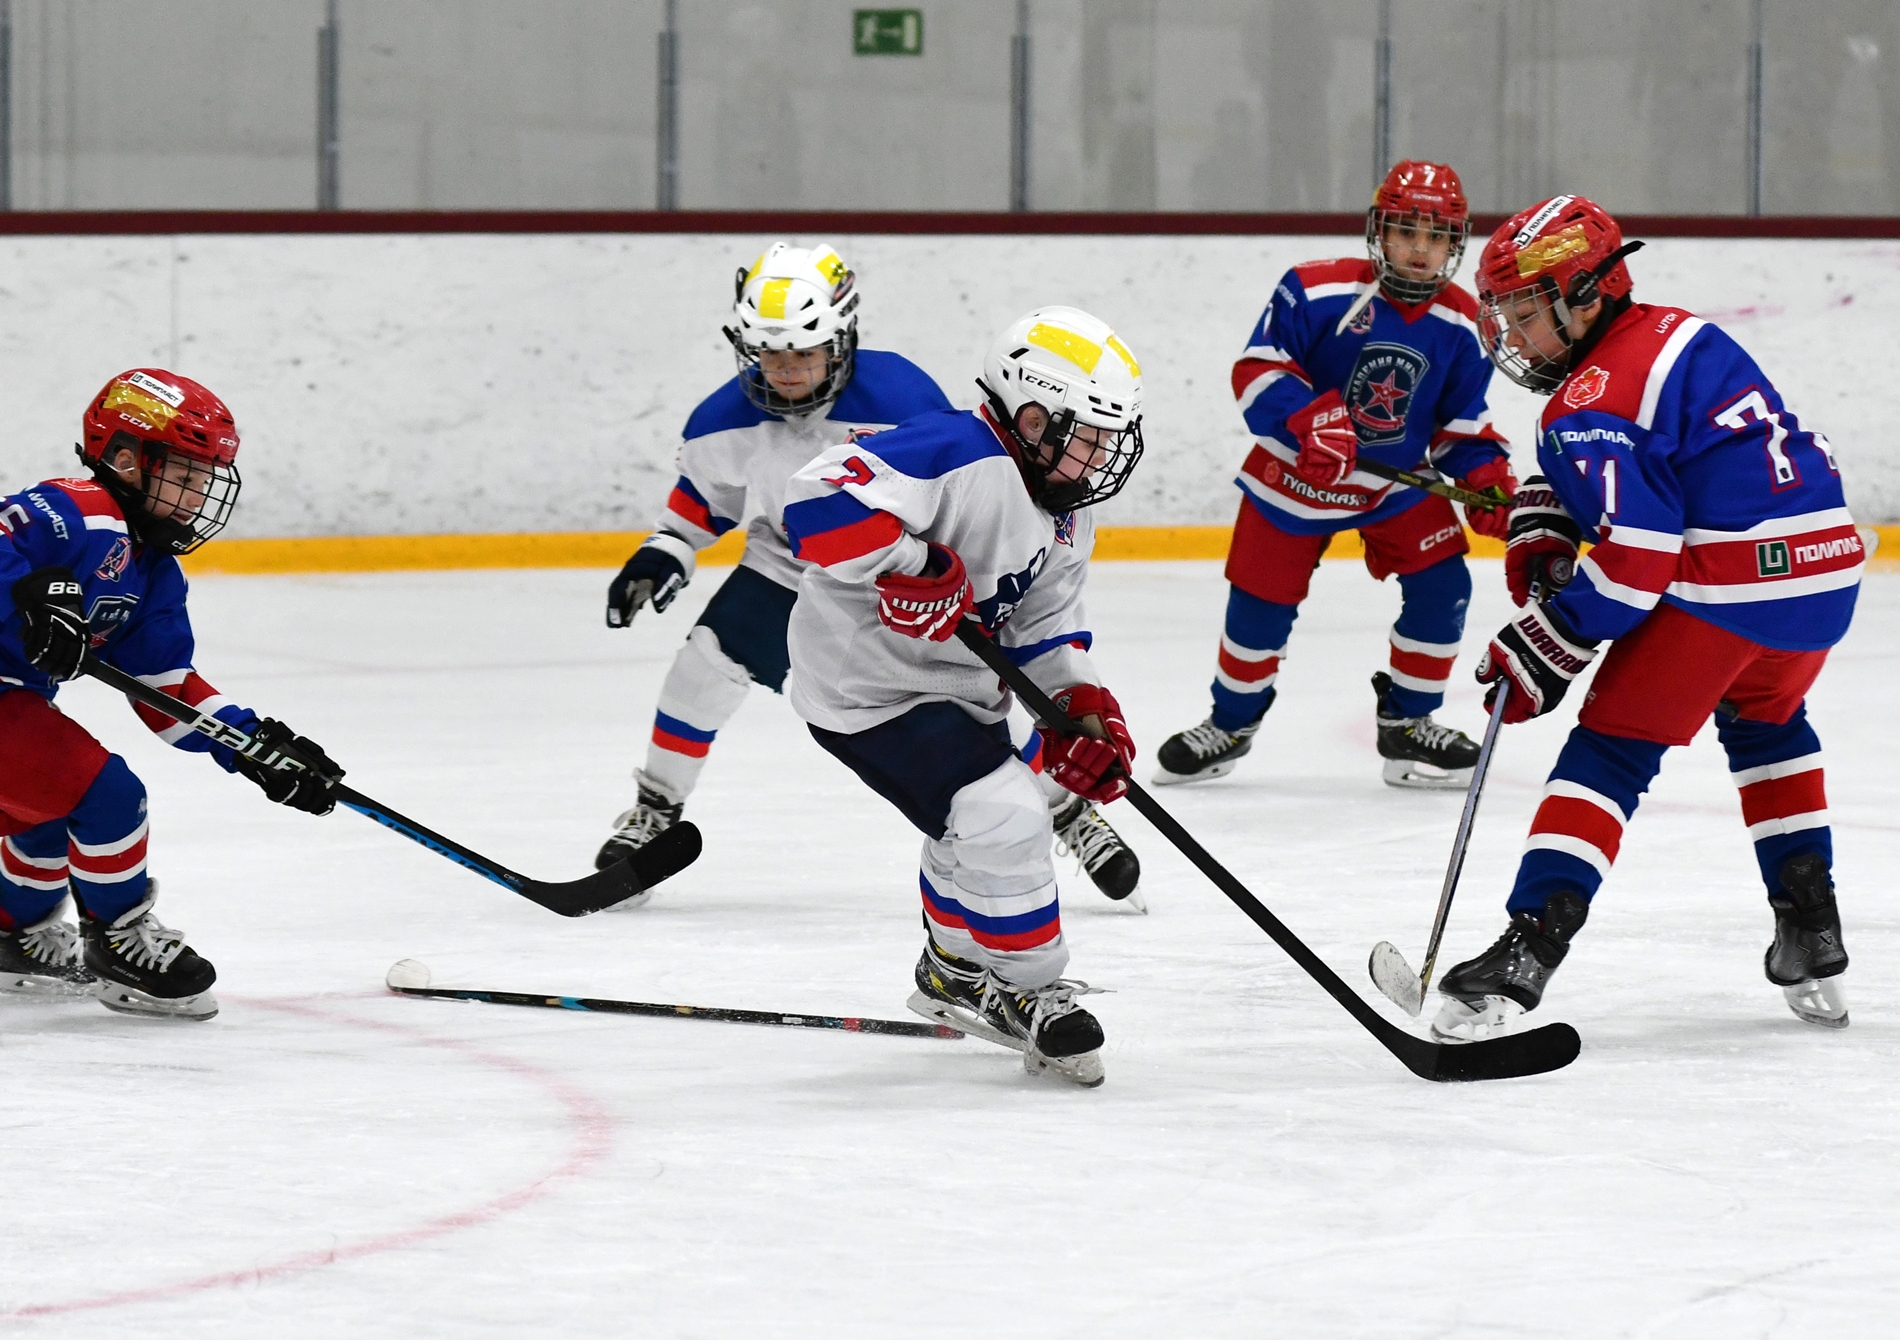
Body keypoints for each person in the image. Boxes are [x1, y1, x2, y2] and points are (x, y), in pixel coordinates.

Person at [1433, 195, 1863, 1040]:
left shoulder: (1586, 402)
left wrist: (1547, 641)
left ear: (1584, 294)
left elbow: (1634, 571)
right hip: (1822, 576)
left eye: (1525, 311)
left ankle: (1527, 953)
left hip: (1728, 590)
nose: (1510, 334)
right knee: (1769, 728)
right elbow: (1675, 463)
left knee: (1610, 752)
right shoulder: (1676, 332)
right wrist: (1553, 503)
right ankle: (1812, 930)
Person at [598, 243, 1143, 906]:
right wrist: (668, 548)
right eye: (770, 353)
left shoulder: (903, 396)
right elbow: (704, 500)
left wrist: (934, 566)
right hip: (792, 569)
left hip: (929, 575)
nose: (786, 370)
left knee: (998, 689)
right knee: (700, 670)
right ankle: (656, 809)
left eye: (803, 352)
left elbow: (966, 489)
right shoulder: (723, 420)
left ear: (843, 337)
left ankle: (1061, 807)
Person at [779, 306, 1146, 1087]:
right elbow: (812, 507)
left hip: (955, 690)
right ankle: (1029, 990)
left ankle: (951, 971)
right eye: (1087, 436)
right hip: (866, 686)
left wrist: (1085, 710)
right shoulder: (954, 448)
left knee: (969, 829)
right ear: (1034, 413)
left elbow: (1045, 629)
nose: (1098, 458)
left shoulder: (1064, 514)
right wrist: (909, 562)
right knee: (1004, 813)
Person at [1154, 160, 1516, 791]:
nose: (1420, 250)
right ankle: (1231, 724)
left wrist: (1486, 476)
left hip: (1392, 485)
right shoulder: (1314, 289)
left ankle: (1408, 724)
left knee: (1444, 585)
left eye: (1435, 238)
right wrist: (1306, 418)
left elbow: (1460, 426)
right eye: (1407, 232)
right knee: (1258, 609)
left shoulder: (1464, 324)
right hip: (1294, 478)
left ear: (1455, 246)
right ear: (1380, 231)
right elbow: (1257, 369)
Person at [0, 369, 342, 1019]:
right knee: (107, 796)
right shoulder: (78, 511)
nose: (195, 497)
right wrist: (24, 595)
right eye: (183, 476)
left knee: (42, 807)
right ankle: (119, 939)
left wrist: (251, 745)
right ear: (126, 460)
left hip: (13, 700)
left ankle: (14, 936)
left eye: (202, 480)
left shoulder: (152, 574)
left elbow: (167, 690)